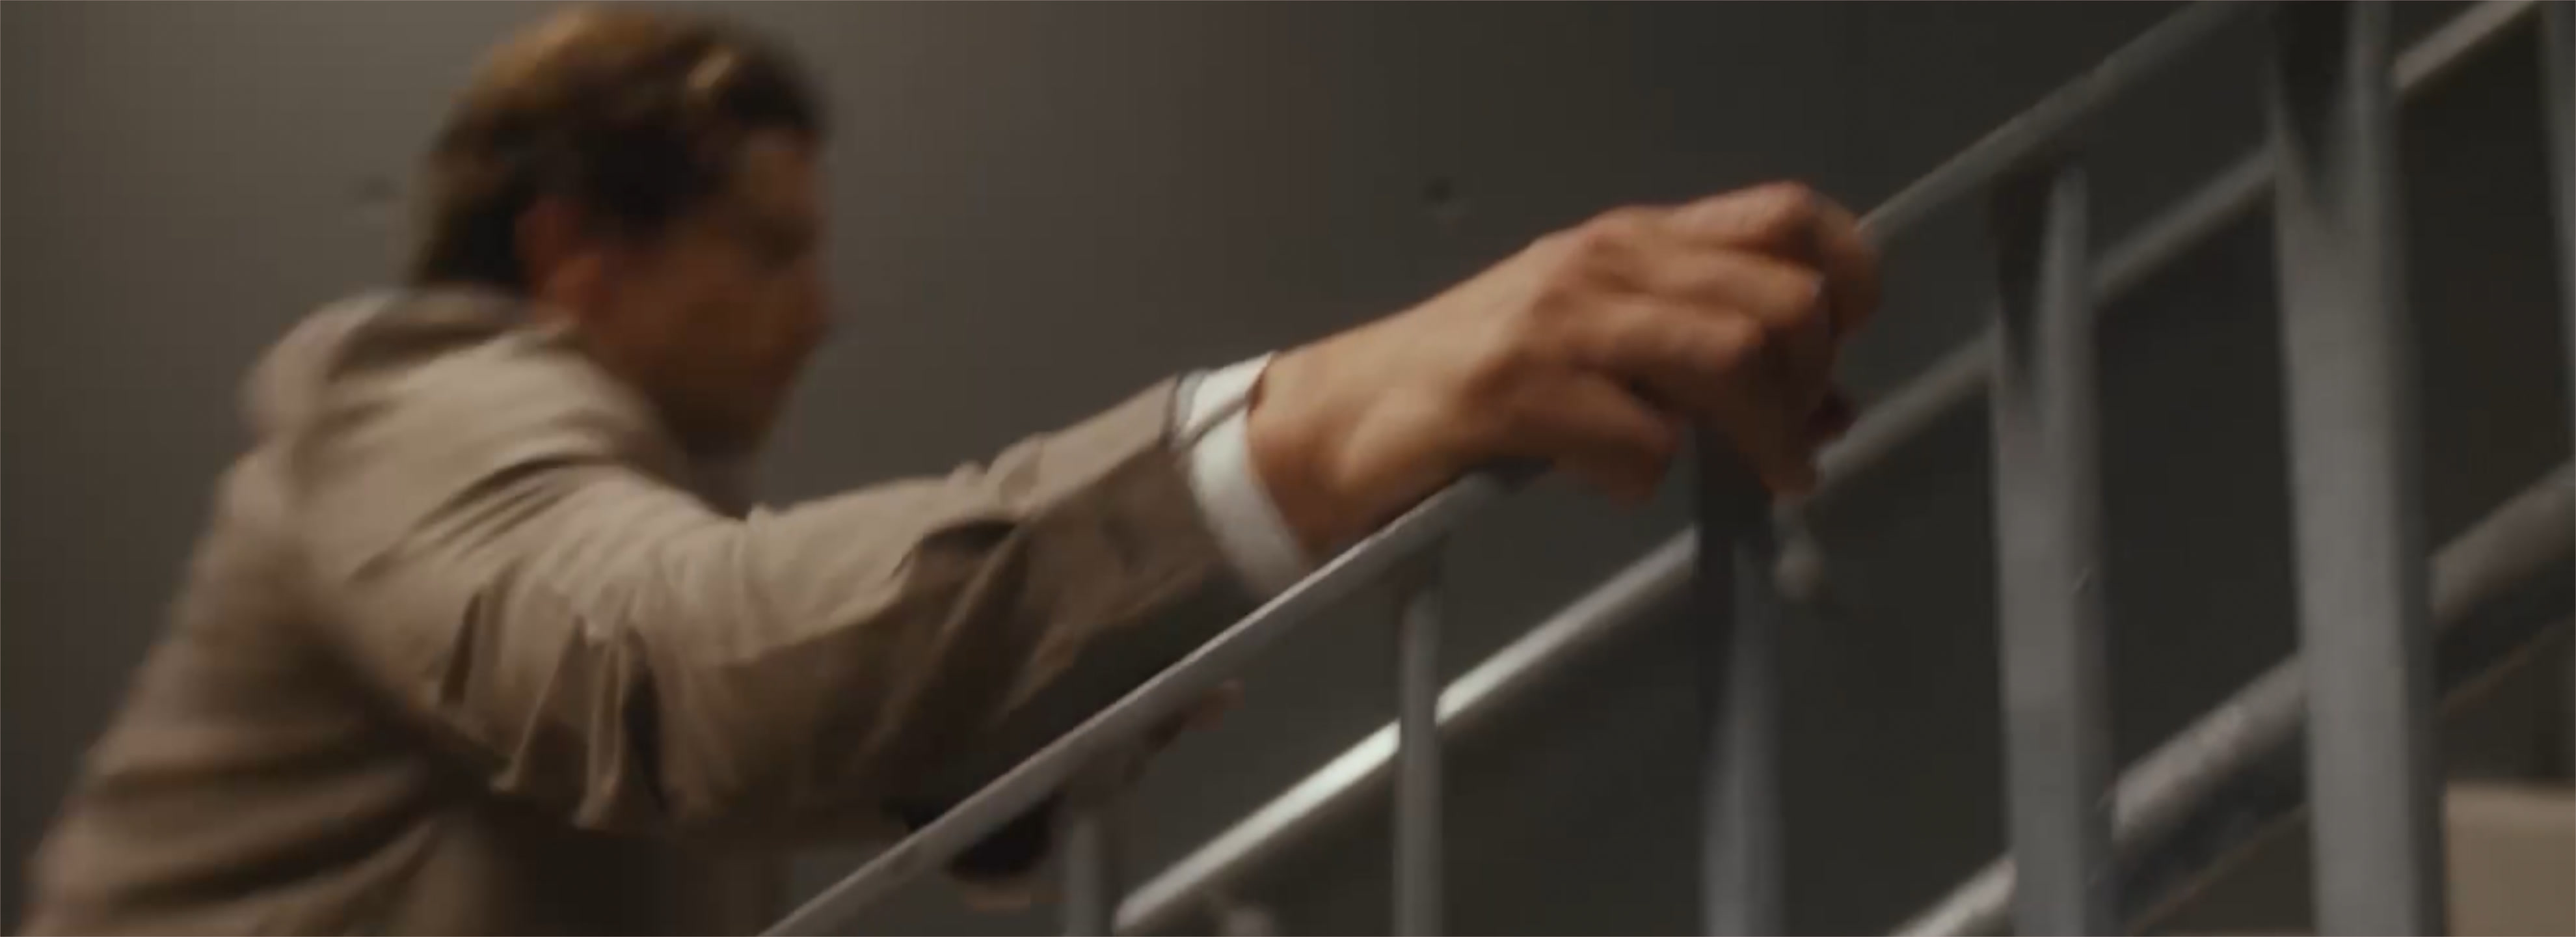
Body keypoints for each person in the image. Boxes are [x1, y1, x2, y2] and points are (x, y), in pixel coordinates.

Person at [20, 5, 1879, 935]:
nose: (823, 311)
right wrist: (1325, 415)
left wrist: (1000, 753)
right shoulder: (416, 395)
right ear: (576, 254)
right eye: (768, 249)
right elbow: (666, 667)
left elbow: (750, 743)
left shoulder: (569, 491)